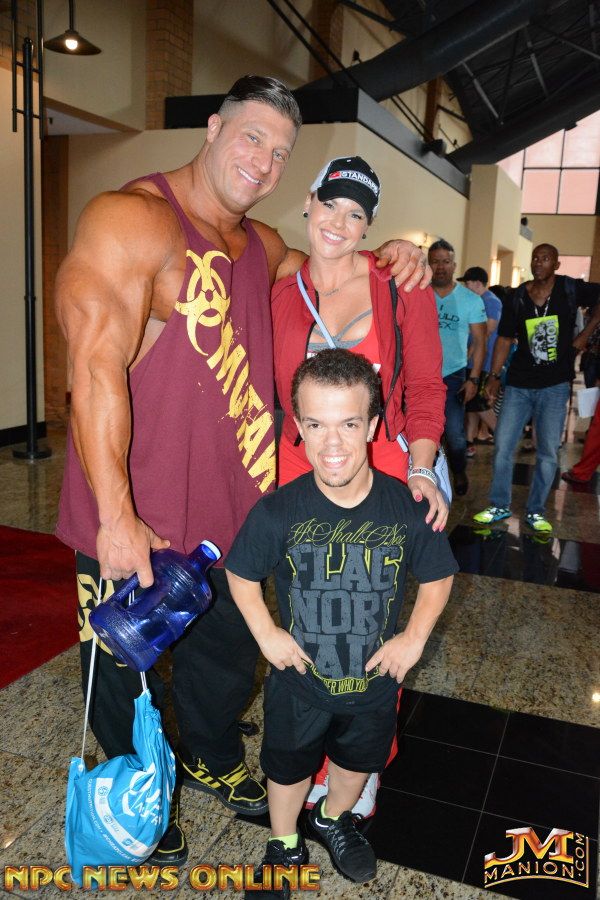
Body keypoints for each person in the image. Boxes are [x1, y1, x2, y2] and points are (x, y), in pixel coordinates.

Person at [54, 75, 430, 864]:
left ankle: (211, 755)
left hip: (230, 513)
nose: (263, 160)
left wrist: (391, 253)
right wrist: (116, 516)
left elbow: (329, 261)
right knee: (125, 670)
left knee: (225, 661)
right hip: (134, 509)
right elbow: (93, 368)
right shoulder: (133, 219)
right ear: (214, 128)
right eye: (252, 137)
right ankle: (139, 791)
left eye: (280, 151)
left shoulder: (259, 246)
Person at [225, 349, 457, 898]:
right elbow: (240, 573)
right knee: (287, 769)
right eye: (316, 425)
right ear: (298, 427)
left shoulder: (405, 507)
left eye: (349, 424)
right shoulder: (278, 511)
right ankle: (284, 843)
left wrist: (413, 639)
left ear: (372, 426)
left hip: (373, 683)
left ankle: (332, 818)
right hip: (299, 681)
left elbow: (438, 576)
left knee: (357, 763)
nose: (332, 443)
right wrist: (266, 633)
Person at [272, 156, 448, 528]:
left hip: (382, 463)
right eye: (329, 204)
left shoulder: (402, 285)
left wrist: (422, 469)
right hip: (299, 464)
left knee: (374, 564)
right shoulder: (281, 293)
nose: (338, 223)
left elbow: (425, 387)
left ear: (367, 226)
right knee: (299, 564)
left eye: (355, 214)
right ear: (308, 202)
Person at [474, 243, 600, 533]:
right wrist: (494, 375)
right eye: (535, 258)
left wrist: (587, 332)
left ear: (556, 264)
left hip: (554, 385)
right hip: (519, 384)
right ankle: (499, 504)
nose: (538, 262)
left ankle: (536, 510)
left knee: (547, 451)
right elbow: (504, 338)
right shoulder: (518, 296)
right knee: (503, 445)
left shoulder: (570, 288)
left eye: (545, 258)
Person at [428, 240, 487, 496]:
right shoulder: (417, 294)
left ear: (454, 265)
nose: (441, 267)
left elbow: (480, 341)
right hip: (419, 374)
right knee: (419, 431)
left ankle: (459, 470)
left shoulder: (470, 300)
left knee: (454, 434)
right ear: (428, 264)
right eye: (435, 261)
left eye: (446, 261)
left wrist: (474, 379)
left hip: (453, 375)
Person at [458, 266, 503, 454]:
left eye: (467, 283)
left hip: (481, 362)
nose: (466, 287)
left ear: (477, 283)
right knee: (471, 404)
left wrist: (468, 355)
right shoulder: (478, 300)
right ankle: (469, 442)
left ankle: (503, 436)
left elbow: (485, 333)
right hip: (473, 361)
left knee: (479, 402)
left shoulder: (491, 302)